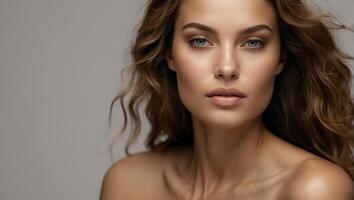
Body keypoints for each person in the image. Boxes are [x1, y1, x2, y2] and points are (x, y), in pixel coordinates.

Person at [100, 0, 354, 199]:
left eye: (253, 42)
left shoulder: (314, 189)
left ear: (280, 59)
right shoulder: (127, 184)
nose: (227, 67)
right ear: (170, 55)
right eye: (200, 41)